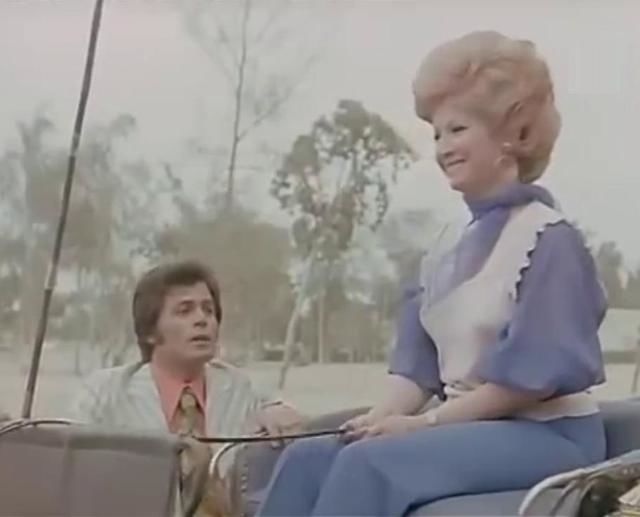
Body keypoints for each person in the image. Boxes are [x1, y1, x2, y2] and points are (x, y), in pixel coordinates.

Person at [256, 30, 608, 516]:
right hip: (468, 427)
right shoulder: (444, 249)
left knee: (369, 466)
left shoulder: (549, 239)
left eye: (457, 129)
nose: (443, 147)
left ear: (513, 134)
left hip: (548, 434)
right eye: (437, 134)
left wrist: (424, 425)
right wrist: (380, 417)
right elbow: (417, 371)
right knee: (309, 458)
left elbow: (532, 383)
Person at [69, 259, 303, 515]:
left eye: (208, 310)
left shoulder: (239, 387)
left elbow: (280, 414)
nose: (202, 320)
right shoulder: (106, 394)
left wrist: (278, 413)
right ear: (149, 332)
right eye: (184, 311)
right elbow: (71, 473)